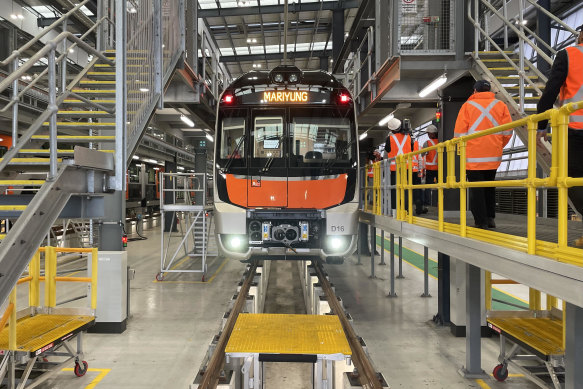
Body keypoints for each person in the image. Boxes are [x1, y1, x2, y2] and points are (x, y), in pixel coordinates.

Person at [537, 24, 583, 247]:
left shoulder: (569, 54)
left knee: (569, 180)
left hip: (573, 129)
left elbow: (551, 90)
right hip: (573, 130)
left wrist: (541, 124)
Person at [454, 80, 512, 229]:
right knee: (489, 187)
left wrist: (463, 150)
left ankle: (480, 221)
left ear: (475, 91)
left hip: (473, 157)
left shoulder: (467, 106)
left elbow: (459, 134)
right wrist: (497, 146)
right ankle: (490, 218)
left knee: (476, 190)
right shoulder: (501, 105)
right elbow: (507, 132)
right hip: (493, 156)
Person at [385, 118, 426, 215]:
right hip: (407, 168)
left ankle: (395, 211)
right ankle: (407, 210)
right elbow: (412, 149)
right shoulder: (409, 138)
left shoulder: (389, 139)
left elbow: (387, 150)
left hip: (395, 169)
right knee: (406, 189)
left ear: (392, 130)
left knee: (395, 189)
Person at [422, 124, 439, 206]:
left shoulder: (427, 143)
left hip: (430, 169)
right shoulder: (441, 141)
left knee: (428, 187)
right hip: (439, 168)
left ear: (433, 133)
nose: (428, 135)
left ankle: (427, 203)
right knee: (441, 186)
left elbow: (421, 155)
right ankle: (440, 202)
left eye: (429, 133)